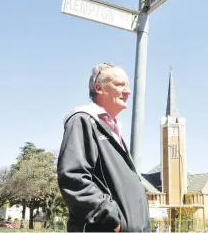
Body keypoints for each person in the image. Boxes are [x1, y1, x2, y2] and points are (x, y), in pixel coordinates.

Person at [57, 62, 151, 232]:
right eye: (120, 84)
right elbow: (73, 177)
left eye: (128, 85)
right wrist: (108, 218)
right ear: (99, 88)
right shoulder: (83, 120)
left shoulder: (112, 129)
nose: (128, 91)